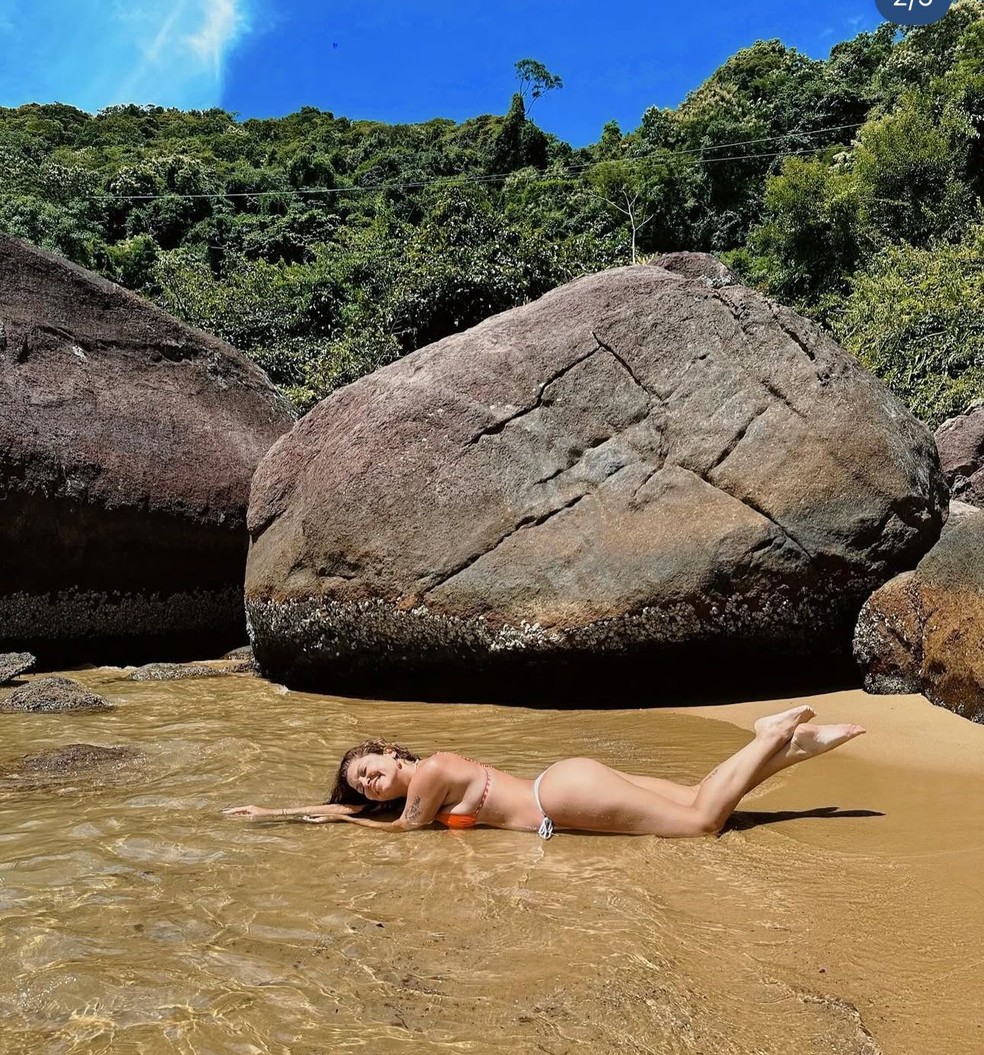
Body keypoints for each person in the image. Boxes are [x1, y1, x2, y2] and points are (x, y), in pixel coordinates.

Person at [223, 705, 865, 838]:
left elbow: (399, 831)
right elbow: (356, 808)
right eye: (361, 783)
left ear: (393, 754)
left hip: (563, 798)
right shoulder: (432, 773)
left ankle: (767, 735)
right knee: (702, 796)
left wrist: (347, 822)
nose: (367, 783)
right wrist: (280, 812)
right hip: (564, 782)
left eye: (368, 768)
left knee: (701, 824)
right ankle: (789, 750)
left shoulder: (428, 777)